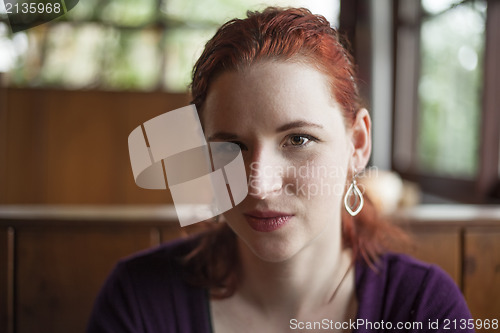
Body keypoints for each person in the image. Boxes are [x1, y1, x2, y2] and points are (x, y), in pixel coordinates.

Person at [87, 7, 474, 333]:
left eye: (298, 140)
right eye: (230, 146)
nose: (260, 183)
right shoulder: (139, 301)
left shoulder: (424, 308)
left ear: (357, 144)